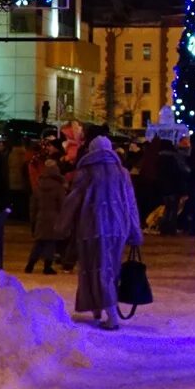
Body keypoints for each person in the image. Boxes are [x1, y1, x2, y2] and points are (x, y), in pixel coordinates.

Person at [56, 135, 143, 330]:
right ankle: (99, 309)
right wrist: (134, 230)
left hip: (92, 227)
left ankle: (110, 315)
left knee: (95, 268)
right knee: (110, 268)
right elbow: (131, 204)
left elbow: (73, 201)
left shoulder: (85, 172)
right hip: (118, 227)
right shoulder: (122, 172)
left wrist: (62, 225)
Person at [27, 160, 66, 274]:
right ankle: (47, 266)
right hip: (54, 217)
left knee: (39, 242)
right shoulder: (59, 187)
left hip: (41, 216)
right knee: (50, 243)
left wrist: (33, 220)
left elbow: (33, 205)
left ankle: (30, 264)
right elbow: (62, 204)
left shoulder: (38, 185)